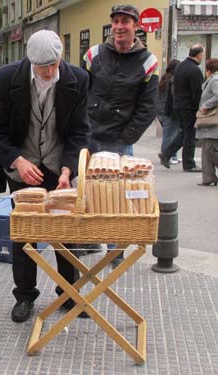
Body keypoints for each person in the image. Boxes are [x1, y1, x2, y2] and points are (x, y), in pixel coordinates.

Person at [0, 30, 91, 323]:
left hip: (59, 168)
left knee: (65, 232)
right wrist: (17, 161)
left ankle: (68, 292)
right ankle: (25, 296)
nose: (47, 71)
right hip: (22, 167)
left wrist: (69, 169)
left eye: (53, 65)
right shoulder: (9, 78)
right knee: (24, 234)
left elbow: (81, 131)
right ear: (30, 60)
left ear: (60, 58)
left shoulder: (77, 79)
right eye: (41, 66)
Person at [84, 4, 159, 266]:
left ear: (135, 26)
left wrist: (127, 137)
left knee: (119, 196)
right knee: (89, 191)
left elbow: (149, 106)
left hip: (120, 140)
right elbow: (83, 91)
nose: (119, 26)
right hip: (91, 134)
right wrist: (84, 125)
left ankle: (115, 250)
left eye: (125, 22)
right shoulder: (94, 54)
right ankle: (89, 239)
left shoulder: (148, 61)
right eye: (115, 21)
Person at [159, 44, 205, 172]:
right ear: (199, 55)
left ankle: (166, 153)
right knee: (190, 135)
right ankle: (189, 164)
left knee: (184, 132)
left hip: (177, 105)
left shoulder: (180, 67)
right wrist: (198, 109)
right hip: (189, 107)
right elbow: (197, 92)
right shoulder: (195, 70)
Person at [195, 58, 218, 186]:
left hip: (213, 120)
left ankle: (209, 177)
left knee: (210, 148)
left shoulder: (215, 80)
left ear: (208, 70)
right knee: (206, 149)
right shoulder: (212, 80)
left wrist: (206, 106)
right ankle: (208, 178)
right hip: (209, 120)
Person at [158, 59, 181, 165]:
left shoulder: (164, 78)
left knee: (170, 134)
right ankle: (166, 155)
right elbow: (173, 96)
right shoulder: (173, 80)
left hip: (160, 111)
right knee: (170, 135)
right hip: (169, 111)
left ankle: (172, 155)